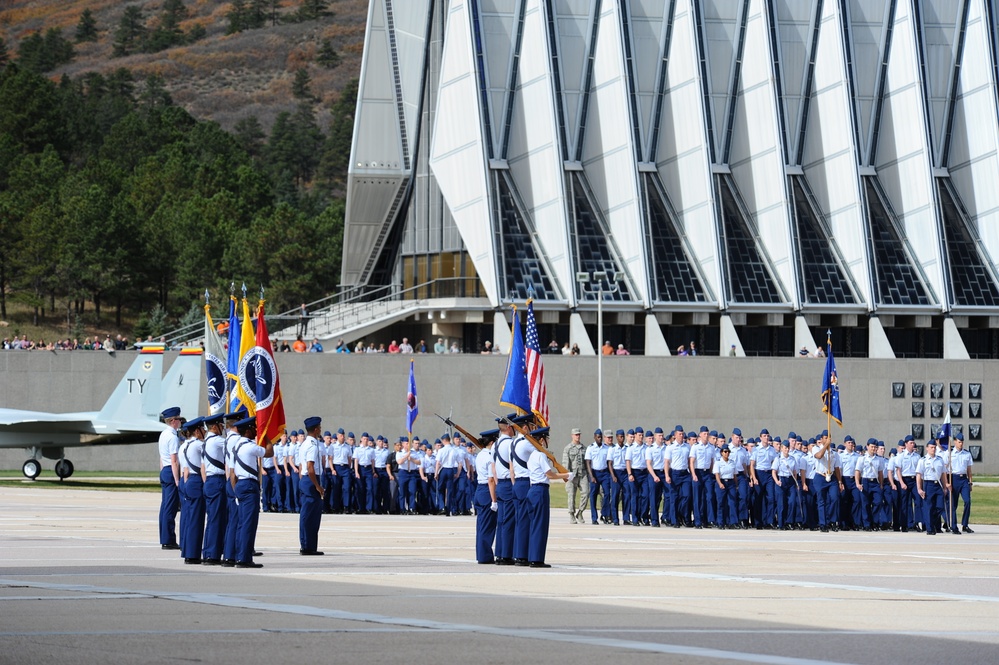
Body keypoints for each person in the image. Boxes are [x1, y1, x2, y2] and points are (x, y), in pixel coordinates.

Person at [231, 416, 275, 567]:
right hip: (249, 485)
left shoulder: (236, 446)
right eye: (254, 429)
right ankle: (244, 558)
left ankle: (239, 555)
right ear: (248, 431)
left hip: (240, 484)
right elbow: (270, 452)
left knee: (242, 523)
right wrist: (266, 436)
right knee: (249, 524)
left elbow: (232, 473)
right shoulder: (250, 446)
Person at [525, 427, 571, 568]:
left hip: (533, 489)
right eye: (546, 438)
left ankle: (532, 556)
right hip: (540, 490)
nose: (548, 441)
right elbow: (549, 474)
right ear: (541, 440)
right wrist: (567, 475)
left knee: (534, 525)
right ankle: (537, 559)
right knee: (540, 525)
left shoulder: (532, 455)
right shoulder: (540, 455)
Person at [200, 414, 227, 565]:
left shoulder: (205, 442)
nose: (223, 428)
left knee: (212, 519)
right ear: (214, 426)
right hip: (217, 480)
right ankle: (213, 554)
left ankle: (209, 552)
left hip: (210, 481)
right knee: (217, 519)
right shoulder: (217, 441)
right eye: (221, 425)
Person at [180, 417, 207, 564]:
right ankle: (192, 554)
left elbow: (184, 469)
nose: (205, 431)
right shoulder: (198, 445)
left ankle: (188, 550)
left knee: (190, 519)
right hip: (196, 481)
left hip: (188, 480)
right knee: (196, 520)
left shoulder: (184, 446)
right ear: (197, 431)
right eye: (203, 429)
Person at [299, 416, 325, 555]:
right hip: (311, 480)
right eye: (319, 428)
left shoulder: (304, 443)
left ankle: (306, 545)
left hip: (305, 479)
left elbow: (301, 466)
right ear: (315, 430)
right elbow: (310, 467)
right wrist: (317, 486)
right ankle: (308, 547)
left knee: (306, 514)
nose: (321, 429)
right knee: (311, 516)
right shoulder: (313, 445)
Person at [157, 406, 183, 551]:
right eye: (178, 419)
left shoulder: (163, 434)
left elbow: (162, 457)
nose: (180, 421)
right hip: (171, 471)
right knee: (170, 507)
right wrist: (177, 480)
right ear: (173, 420)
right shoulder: (172, 437)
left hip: (165, 471)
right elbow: (174, 461)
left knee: (165, 505)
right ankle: (168, 540)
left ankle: (165, 538)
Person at [473, 429, 499, 563]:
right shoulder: (490, 457)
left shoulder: (480, 455)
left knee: (481, 525)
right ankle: (485, 556)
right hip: (486, 491)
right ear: (493, 442)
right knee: (487, 526)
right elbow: (491, 480)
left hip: (479, 490)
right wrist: (494, 500)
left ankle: (481, 554)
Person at [916, 440, 949, 535]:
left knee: (940, 507)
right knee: (928, 507)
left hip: (938, 485)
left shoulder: (940, 460)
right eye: (931, 447)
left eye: (934, 447)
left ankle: (932, 523)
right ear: (927, 448)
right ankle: (930, 529)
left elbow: (943, 474)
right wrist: (919, 488)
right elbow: (919, 475)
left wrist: (945, 486)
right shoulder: (923, 460)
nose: (933, 449)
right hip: (928, 484)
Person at [948, 433, 974, 534]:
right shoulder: (950, 453)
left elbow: (969, 470)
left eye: (962, 442)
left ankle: (965, 524)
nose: (961, 444)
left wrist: (970, 483)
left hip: (964, 480)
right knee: (953, 504)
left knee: (967, 501)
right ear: (955, 442)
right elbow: (946, 468)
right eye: (959, 442)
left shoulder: (966, 454)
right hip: (954, 479)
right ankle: (953, 526)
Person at [561, 428, 588, 524]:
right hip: (572, 475)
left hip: (583, 474)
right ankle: (572, 514)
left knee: (586, 493)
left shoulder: (584, 448)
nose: (578, 436)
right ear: (572, 435)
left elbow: (587, 463)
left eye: (579, 434)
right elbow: (565, 463)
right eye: (576, 435)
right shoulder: (568, 448)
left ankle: (580, 512)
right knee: (571, 495)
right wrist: (566, 475)